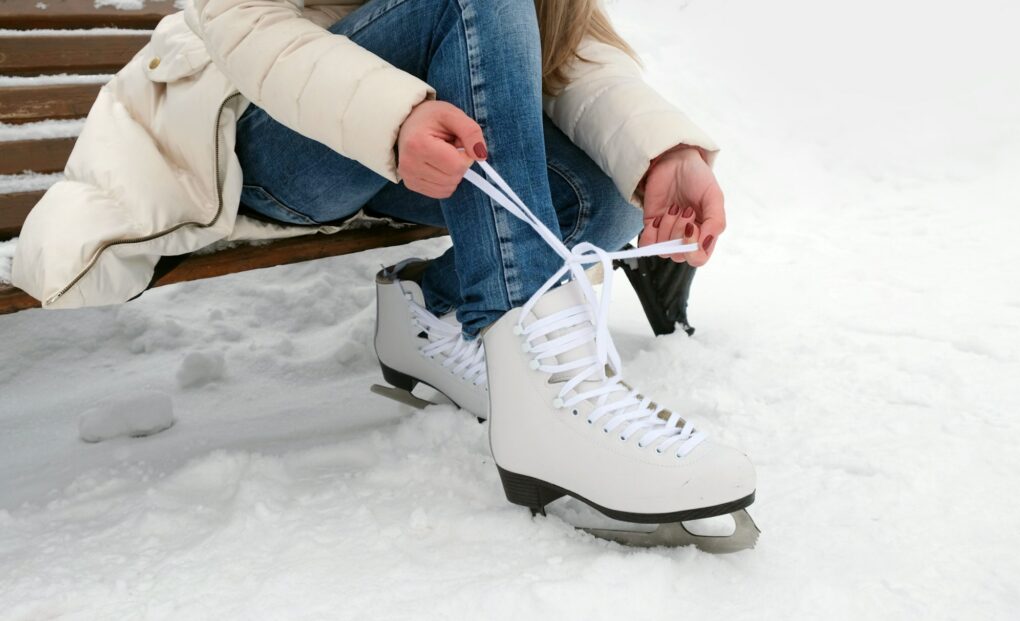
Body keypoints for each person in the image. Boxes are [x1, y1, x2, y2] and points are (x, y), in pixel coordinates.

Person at [12, 0, 756, 547]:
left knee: (601, 197)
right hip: (262, 128)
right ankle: (550, 404)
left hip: (408, 134)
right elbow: (241, 20)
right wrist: (393, 118)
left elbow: (570, 40)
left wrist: (662, 154)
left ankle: (429, 310)